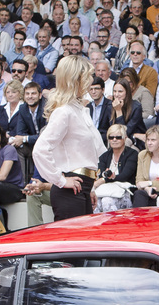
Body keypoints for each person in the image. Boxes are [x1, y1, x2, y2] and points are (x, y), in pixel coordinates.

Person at [33, 54, 105, 222]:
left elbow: (86, 155)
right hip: (70, 189)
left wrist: (91, 188)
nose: (90, 80)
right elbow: (40, 150)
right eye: (86, 76)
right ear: (75, 79)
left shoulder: (78, 110)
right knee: (73, 244)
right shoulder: (64, 112)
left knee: (84, 244)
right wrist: (60, 179)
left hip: (83, 186)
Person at [133, 125, 159, 207]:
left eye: (153, 140)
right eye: (148, 140)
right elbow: (139, 182)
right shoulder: (142, 155)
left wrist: (150, 183)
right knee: (139, 194)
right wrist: (147, 189)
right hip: (147, 191)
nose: (149, 143)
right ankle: (137, 219)